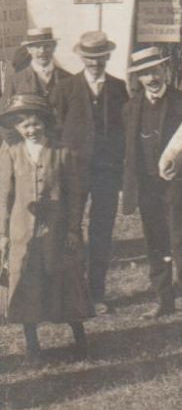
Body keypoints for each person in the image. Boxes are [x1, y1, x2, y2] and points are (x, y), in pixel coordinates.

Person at [121, 48, 182, 326]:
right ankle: (164, 301)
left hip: (178, 187)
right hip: (147, 189)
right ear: (138, 78)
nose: (152, 78)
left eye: (156, 71)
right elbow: (129, 152)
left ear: (166, 71)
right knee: (155, 244)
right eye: (145, 73)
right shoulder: (130, 107)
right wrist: (130, 187)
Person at [0, 94, 91, 364]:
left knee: (66, 283)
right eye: (24, 125)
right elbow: (4, 195)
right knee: (26, 283)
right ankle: (32, 347)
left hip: (58, 232)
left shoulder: (62, 152)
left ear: (45, 123)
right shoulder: (11, 152)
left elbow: (75, 195)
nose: (31, 129)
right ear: (17, 128)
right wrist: (3, 234)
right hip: (22, 235)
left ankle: (81, 340)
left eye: (35, 123)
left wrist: (74, 230)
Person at [63, 31, 127, 314]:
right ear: (81, 57)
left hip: (107, 173)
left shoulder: (118, 87)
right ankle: (74, 293)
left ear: (107, 57)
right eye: (89, 58)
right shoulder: (66, 88)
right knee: (72, 229)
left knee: (102, 230)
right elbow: (54, 130)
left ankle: (97, 292)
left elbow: (124, 130)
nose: (95, 63)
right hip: (74, 172)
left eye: (100, 58)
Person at [11, 28, 78, 128]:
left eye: (47, 46)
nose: (42, 51)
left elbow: (75, 115)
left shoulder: (69, 79)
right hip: (28, 140)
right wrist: (15, 142)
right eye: (37, 47)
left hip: (60, 140)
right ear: (29, 49)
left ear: (54, 47)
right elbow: (4, 115)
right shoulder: (16, 79)